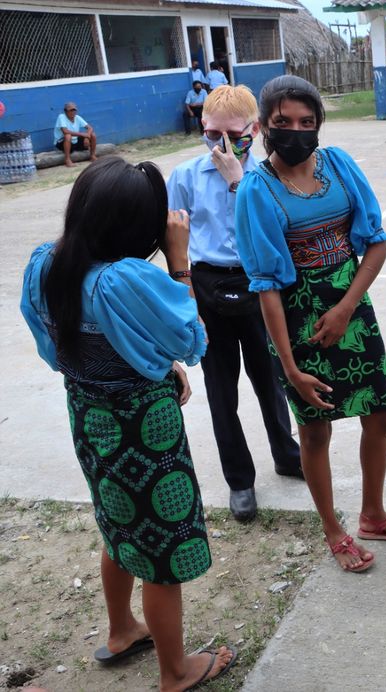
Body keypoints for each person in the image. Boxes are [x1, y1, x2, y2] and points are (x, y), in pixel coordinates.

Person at [20, 157, 237, 691]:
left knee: (116, 522)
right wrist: (180, 261)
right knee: (161, 551)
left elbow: (64, 348)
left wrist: (154, 367)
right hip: (144, 428)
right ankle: (175, 671)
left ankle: (121, 630)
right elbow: (192, 339)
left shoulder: (46, 263)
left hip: (89, 416)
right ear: (137, 227)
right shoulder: (126, 278)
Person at [235, 75, 386, 573]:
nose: (295, 131)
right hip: (295, 321)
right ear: (263, 127)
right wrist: (291, 366)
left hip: (352, 306)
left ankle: (373, 514)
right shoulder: (256, 189)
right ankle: (333, 530)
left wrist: (345, 308)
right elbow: (267, 286)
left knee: (381, 415)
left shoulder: (339, 165)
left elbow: (376, 242)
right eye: (282, 123)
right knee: (314, 432)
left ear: (320, 124)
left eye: (306, 122)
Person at [167, 85, 303, 523]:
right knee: (222, 389)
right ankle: (239, 480)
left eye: (235, 136)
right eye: (211, 135)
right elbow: (176, 245)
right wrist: (185, 295)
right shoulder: (185, 177)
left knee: (272, 379)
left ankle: (286, 452)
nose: (223, 146)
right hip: (208, 283)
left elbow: (275, 230)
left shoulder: (266, 176)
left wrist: (236, 181)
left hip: (258, 281)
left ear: (255, 130)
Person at [53, 101, 97, 168]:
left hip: (74, 141)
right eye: (71, 110)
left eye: (74, 110)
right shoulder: (61, 117)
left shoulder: (77, 117)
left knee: (93, 135)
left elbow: (90, 128)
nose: (73, 112)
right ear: (65, 111)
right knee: (68, 136)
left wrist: (87, 137)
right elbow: (65, 131)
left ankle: (92, 156)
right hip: (61, 142)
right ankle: (67, 160)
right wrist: (82, 135)